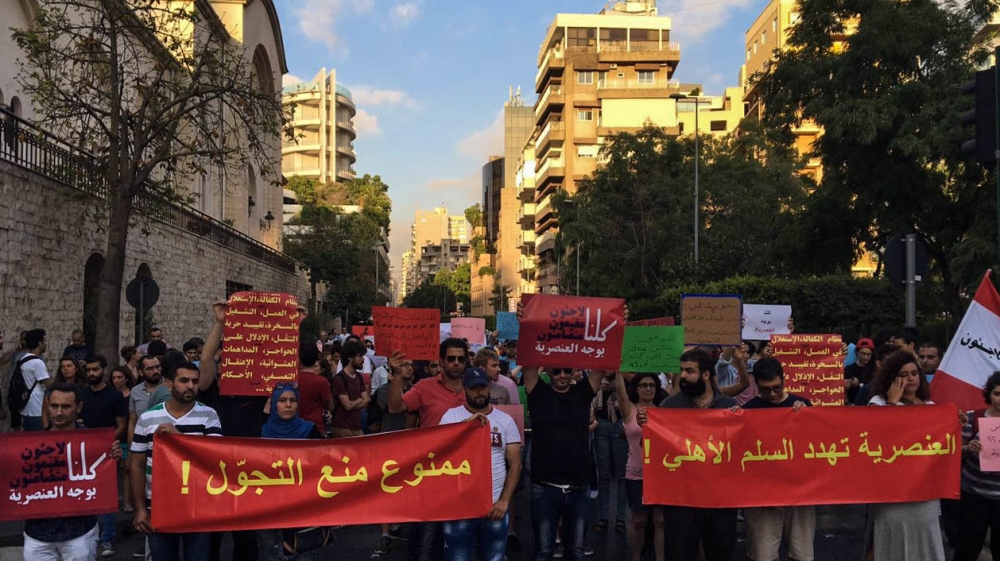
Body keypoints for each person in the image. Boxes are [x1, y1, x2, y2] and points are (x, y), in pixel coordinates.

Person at [387, 338, 469, 561]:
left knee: (460, 541)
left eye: (461, 359)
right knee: (426, 538)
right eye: (451, 358)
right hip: (430, 473)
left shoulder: (474, 389)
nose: (456, 363)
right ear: (441, 361)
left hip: (465, 474)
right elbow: (395, 407)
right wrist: (397, 374)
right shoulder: (425, 387)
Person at [131, 361, 222, 560]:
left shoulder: (209, 416)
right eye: (184, 381)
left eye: (194, 381)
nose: (190, 386)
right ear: (169, 385)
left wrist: (178, 438)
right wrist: (139, 509)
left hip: (198, 508)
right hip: (158, 507)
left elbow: (213, 460)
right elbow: (136, 465)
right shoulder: (147, 418)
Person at [23, 383, 121, 561]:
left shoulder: (94, 444)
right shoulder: (31, 446)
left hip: (79, 533)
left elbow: (102, 482)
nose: (59, 412)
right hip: (37, 535)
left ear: (79, 408)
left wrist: (113, 455)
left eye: (66, 406)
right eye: (54, 406)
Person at [656, 349, 738, 561]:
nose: (682, 376)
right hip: (681, 503)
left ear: (706, 375)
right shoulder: (669, 407)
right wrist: (648, 428)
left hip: (720, 503)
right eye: (681, 370)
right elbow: (654, 452)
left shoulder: (730, 408)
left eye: (689, 371)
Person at [523, 358, 606, 561]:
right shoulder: (537, 392)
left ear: (573, 371)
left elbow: (600, 368)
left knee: (576, 552)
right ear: (549, 371)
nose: (562, 375)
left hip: (578, 488)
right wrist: (529, 328)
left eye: (567, 370)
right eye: (557, 370)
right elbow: (528, 365)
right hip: (544, 487)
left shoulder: (583, 392)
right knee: (543, 551)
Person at [865, 350, 944, 560]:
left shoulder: (930, 407)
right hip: (890, 491)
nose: (910, 378)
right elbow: (873, 439)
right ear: (891, 378)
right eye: (903, 374)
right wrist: (892, 403)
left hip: (923, 490)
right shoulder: (878, 403)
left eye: (914, 373)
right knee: (887, 539)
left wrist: (956, 422)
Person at [440, 367, 522, 561]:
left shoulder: (505, 420)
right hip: (459, 509)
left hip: (494, 508)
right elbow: (441, 454)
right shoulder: (450, 417)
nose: (479, 392)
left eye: (483, 387)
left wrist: (505, 501)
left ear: (490, 387)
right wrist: (467, 426)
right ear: (464, 389)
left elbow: (515, 464)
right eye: (473, 388)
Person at [740, 358, 815, 561]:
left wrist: (807, 417)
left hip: (799, 495)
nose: (772, 394)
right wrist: (730, 420)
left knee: (802, 554)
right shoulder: (749, 411)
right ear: (756, 383)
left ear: (784, 380)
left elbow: (818, 446)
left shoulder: (803, 406)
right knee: (762, 555)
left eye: (777, 388)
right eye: (766, 390)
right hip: (762, 497)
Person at [615, 371, 667, 561]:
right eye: (643, 385)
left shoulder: (665, 410)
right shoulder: (629, 410)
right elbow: (620, 392)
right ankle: (636, 557)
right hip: (636, 474)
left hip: (661, 474)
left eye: (651, 385)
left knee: (660, 520)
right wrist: (618, 370)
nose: (647, 388)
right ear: (636, 389)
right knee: (639, 520)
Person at [80, 354, 128, 558]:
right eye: (88, 370)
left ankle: (107, 538)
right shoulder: (81, 395)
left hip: (107, 453)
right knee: (83, 495)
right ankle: (86, 536)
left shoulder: (115, 396)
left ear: (104, 370)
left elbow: (122, 425)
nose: (91, 373)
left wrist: (103, 442)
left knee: (106, 496)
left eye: (95, 370)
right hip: (83, 454)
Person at [371, 354, 417, 555]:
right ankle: (385, 534)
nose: (407, 368)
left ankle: (399, 526)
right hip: (388, 445)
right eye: (403, 365)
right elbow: (393, 407)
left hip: (411, 446)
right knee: (386, 489)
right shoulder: (383, 391)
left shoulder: (418, 392)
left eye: (410, 365)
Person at [953, 372, 1000, 561]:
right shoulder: (974, 418)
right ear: (989, 394)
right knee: (967, 546)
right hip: (973, 495)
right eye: (997, 393)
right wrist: (968, 448)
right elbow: (956, 450)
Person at [593, 372, 627, 534]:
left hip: (620, 426)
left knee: (622, 475)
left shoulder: (625, 380)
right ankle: (603, 516)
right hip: (602, 426)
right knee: (604, 475)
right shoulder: (596, 380)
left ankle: (621, 517)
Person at [330, 340, 370, 437]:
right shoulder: (339, 379)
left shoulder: (360, 377)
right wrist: (360, 399)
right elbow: (347, 405)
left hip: (357, 427)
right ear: (350, 358)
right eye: (359, 356)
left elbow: (367, 400)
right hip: (342, 429)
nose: (363, 360)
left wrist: (354, 402)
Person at [296, 342, 335, 435]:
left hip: (295, 427)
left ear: (299, 358)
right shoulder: (322, 382)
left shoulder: (292, 379)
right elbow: (331, 406)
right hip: (316, 428)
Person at [18, 328, 51, 431]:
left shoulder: (23, 359)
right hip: (37, 408)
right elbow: (49, 385)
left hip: (26, 408)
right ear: (39, 343)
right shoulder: (37, 363)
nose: (45, 344)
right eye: (44, 341)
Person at [845, 338, 875, 404]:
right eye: (863, 353)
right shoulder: (848, 369)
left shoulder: (875, 370)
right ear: (857, 353)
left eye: (868, 354)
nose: (866, 357)